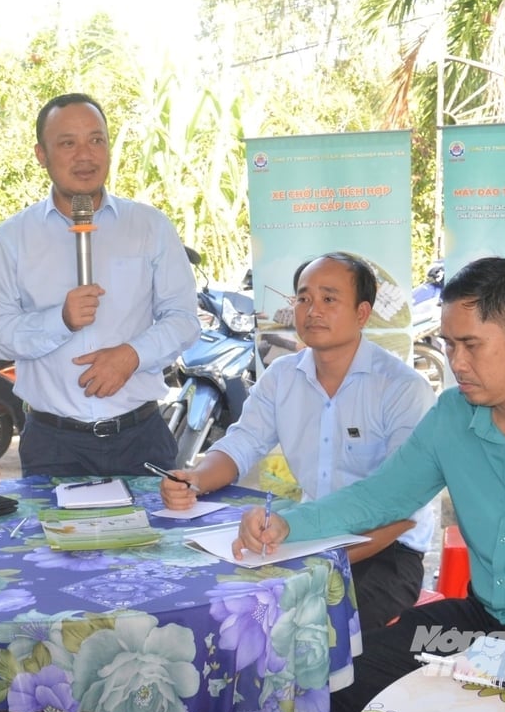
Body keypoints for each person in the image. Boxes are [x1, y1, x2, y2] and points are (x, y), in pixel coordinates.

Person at [232, 256, 505, 712]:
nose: (457, 364)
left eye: (470, 345)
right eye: (450, 345)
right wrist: (286, 526)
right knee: (341, 684)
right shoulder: (453, 415)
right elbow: (378, 498)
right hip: (489, 625)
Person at [160, 252, 437, 629]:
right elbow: (241, 444)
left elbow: (399, 512)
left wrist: (312, 556)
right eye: (303, 299)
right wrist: (195, 479)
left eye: (329, 299)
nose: (312, 310)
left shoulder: (403, 389)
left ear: (362, 313)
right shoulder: (283, 376)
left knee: (302, 626)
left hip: (383, 550)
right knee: (214, 603)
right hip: (304, 532)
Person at [0, 92, 199, 476]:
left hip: (141, 436)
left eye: (96, 140)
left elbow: (183, 319)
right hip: (54, 446)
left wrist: (132, 355)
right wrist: (59, 320)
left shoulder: (149, 226)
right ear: (41, 155)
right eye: (68, 143)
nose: (86, 155)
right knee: (55, 538)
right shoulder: (12, 238)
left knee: (153, 538)